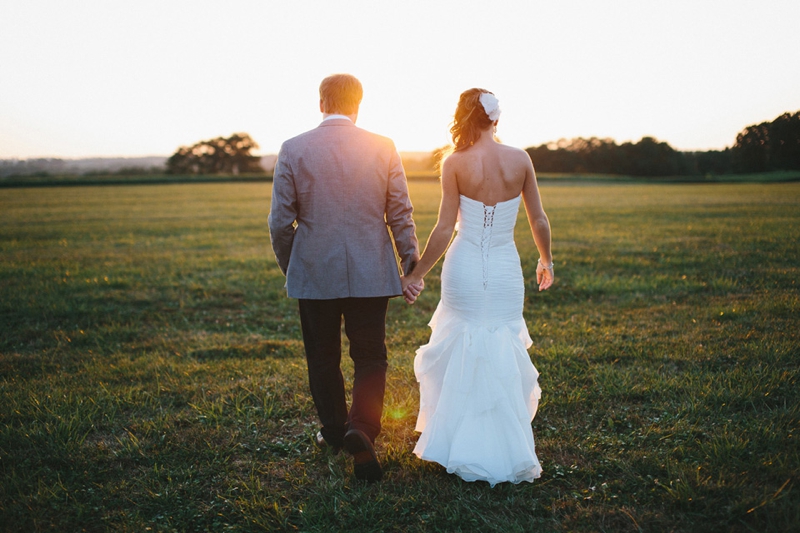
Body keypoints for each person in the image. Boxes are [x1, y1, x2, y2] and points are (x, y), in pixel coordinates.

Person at [268, 74, 420, 482]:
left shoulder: (293, 148)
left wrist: (294, 267)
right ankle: (362, 428)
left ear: (321, 102)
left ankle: (335, 431)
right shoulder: (383, 146)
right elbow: (400, 212)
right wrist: (410, 262)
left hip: (315, 272)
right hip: (372, 270)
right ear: (359, 104)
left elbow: (280, 222)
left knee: (322, 357)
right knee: (370, 354)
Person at [400, 88, 554, 487]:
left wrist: (416, 275)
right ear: (496, 119)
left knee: (463, 343)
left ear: (464, 118)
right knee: (501, 343)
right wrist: (546, 259)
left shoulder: (454, 163)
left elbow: (444, 228)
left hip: (465, 265)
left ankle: (458, 443)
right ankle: (503, 443)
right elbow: (538, 219)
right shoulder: (520, 160)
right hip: (504, 268)